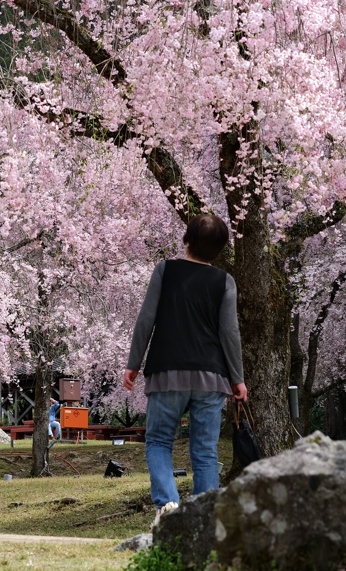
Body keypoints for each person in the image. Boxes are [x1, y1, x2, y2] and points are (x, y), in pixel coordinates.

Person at [122, 214, 248, 527]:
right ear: (219, 251)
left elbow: (145, 320)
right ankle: (206, 518)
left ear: (186, 240)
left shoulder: (166, 270)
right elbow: (229, 333)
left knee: (160, 442)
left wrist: (133, 364)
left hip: (168, 372)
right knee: (205, 451)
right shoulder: (225, 282)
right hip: (212, 376)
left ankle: (167, 507)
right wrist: (238, 379)